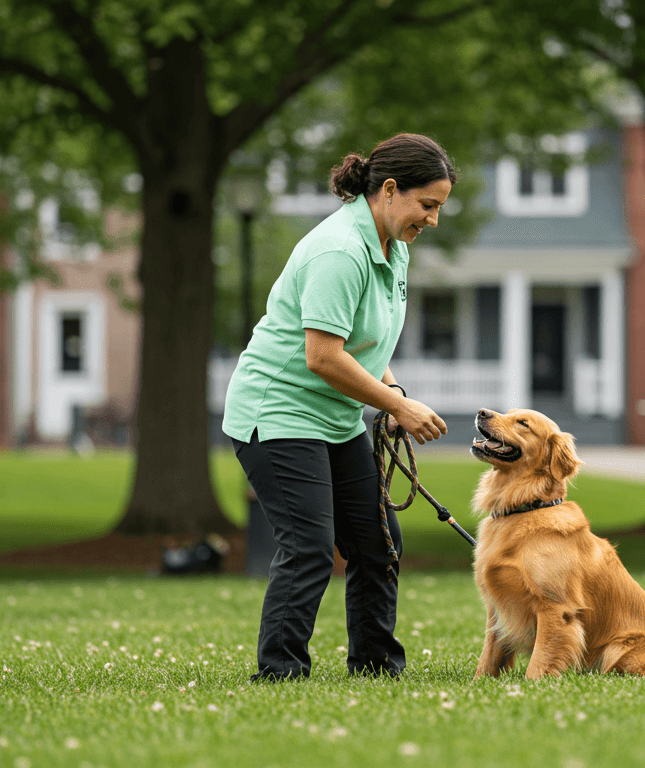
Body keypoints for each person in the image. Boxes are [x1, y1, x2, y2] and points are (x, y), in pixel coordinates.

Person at [222, 133, 455, 680]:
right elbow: (323, 356)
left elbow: (365, 346)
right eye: (428, 205)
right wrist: (402, 409)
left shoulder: (393, 248)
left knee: (377, 543)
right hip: (276, 412)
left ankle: (376, 668)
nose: (433, 220)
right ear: (390, 190)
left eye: (440, 207)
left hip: (335, 417)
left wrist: (392, 395)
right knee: (308, 547)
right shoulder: (341, 251)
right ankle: (279, 673)